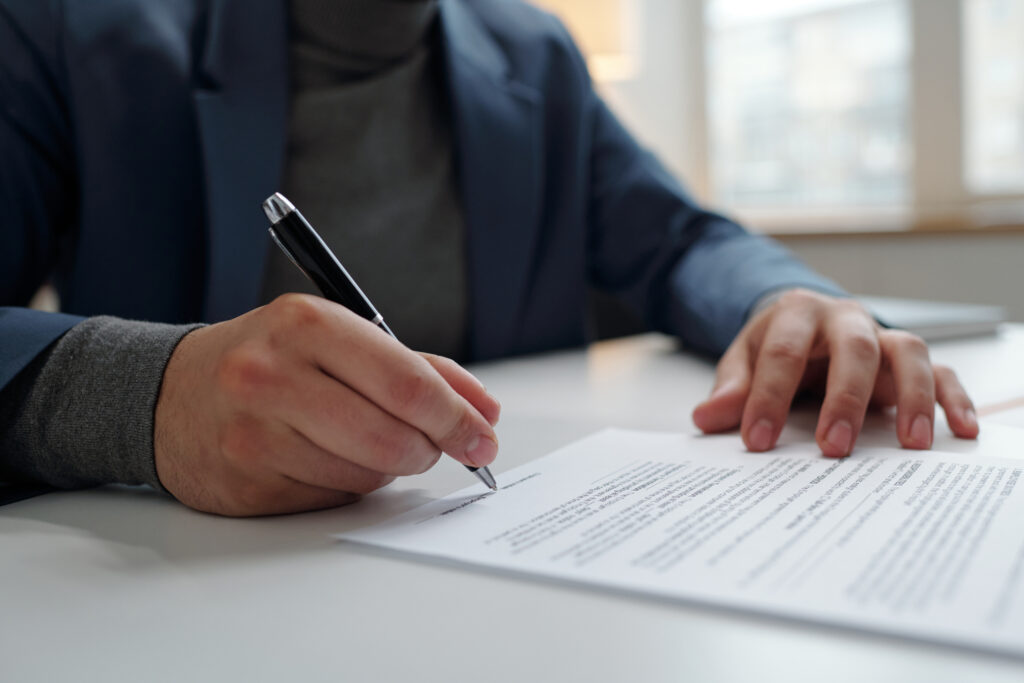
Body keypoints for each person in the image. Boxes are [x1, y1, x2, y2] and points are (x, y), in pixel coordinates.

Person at [0, 0, 978, 516]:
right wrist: (154, 398)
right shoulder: (69, 28)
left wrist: (785, 298)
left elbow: (681, 237)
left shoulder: (535, 52)